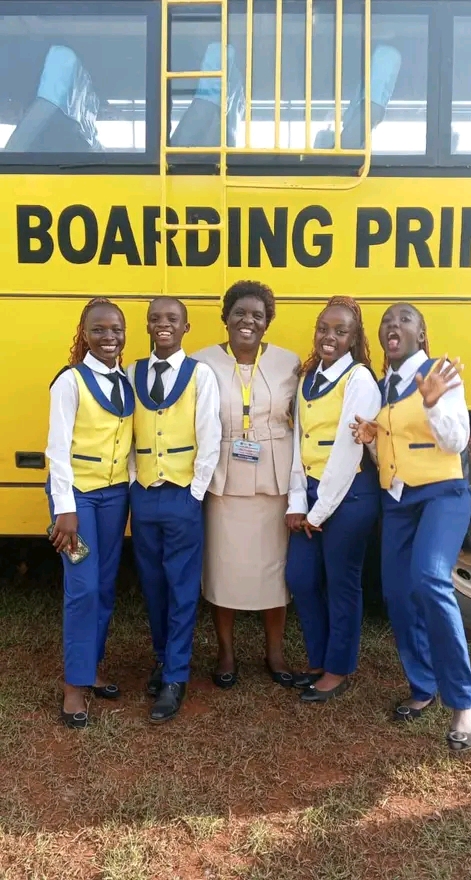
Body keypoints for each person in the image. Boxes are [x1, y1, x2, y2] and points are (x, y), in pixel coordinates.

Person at [351, 302, 471, 752]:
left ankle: (464, 702)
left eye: (405, 319)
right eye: (388, 320)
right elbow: (394, 449)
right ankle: (424, 687)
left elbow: (455, 440)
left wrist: (431, 403)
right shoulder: (384, 385)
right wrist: (371, 441)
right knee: (397, 593)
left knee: (429, 578)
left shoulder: (440, 374)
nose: (394, 325)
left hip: (442, 495)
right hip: (399, 500)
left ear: (421, 334)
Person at [193, 280, 300, 689]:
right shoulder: (201, 363)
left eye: (257, 315)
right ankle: (226, 652)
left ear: (268, 321)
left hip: (273, 479)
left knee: (274, 572)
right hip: (224, 478)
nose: (247, 321)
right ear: (225, 317)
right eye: (239, 313)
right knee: (223, 569)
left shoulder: (289, 363)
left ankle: (274, 652)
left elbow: (305, 422)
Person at [127, 297, 221, 724]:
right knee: (152, 583)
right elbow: (124, 433)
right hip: (144, 494)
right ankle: (163, 658)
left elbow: (210, 435)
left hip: (183, 494)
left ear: (185, 327)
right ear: (147, 325)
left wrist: (195, 492)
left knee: (182, 586)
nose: (162, 325)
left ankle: (177, 675)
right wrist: (132, 481)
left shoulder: (199, 374)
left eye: (172, 319)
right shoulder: (131, 373)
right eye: (155, 319)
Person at [285, 296, 381, 702]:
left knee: (342, 582)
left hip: (349, 495)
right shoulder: (308, 377)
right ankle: (317, 658)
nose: (330, 337)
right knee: (300, 577)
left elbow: (347, 453)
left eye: (341, 331)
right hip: (310, 492)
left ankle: (337, 667)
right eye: (324, 328)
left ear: (353, 338)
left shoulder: (359, 380)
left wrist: (318, 510)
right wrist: (296, 503)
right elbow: (298, 443)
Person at [46, 297, 133, 729]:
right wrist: (65, 509)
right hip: (76, 499)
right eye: (99, 329)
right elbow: (57, 449)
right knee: (81, 587)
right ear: (84, 334)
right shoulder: (70, 381)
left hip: (115, 497)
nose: (109, 337)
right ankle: (74, 686)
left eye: (116, 329)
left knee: (103, 585)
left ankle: (92, 666)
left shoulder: (127, 381)